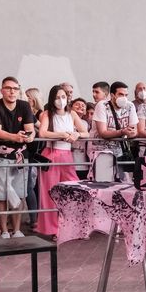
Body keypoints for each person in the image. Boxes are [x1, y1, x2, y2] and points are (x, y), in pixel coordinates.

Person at [34, 85, 88, 237]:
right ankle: (52, 230)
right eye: (57, 97)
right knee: (50, 193)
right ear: (52, 99)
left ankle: (74, 227)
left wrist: (77, 134)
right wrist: (62, 134)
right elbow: (43, 133)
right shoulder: (47, 114)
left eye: (63, 97)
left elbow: (85, 132)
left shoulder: (72, 114)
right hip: (51, 154)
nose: (61, 100)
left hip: (67, 155)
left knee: (73, 190)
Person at [0, 77, 36, 238]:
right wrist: (15, 137)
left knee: (20, 193)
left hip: (20, 156)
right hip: (1, 155)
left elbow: (30, 128)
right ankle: (4, 230)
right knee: (0, 194)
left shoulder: (24, 105)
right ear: (2, 90)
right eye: (8, 88)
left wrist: (30, 136)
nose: (12, 91)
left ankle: (17, 229)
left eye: (15, 88)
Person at [90, 81, 138, 178]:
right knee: (103, 181)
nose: (124, 98)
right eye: (121, 94)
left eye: (126, 95)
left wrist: (132, 133)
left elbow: (135, 130)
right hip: (102, 153)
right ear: (112, 95)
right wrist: (122, 132)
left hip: (121, 153)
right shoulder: (102, 105)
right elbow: (103, 133)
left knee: (124, 182)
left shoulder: (130, 106)